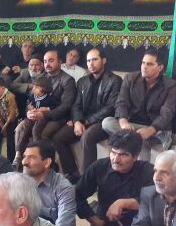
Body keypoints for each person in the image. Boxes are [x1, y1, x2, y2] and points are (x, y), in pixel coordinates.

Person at [75, 129, 154, 226]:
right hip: (105, 225)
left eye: (123, 155)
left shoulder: (147, 171)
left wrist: (125, 203)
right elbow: (76, 195)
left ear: (136, 156)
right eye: (113, 152)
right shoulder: (100, 167)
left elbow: (156, 202)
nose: (116, 159)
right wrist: (93, 220)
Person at [50, 47, 122, 180]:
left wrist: (86, 121)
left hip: (102, 121)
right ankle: (72, 173)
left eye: (95, 59)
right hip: (83, 120)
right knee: (58, 138)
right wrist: (77, 121)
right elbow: (76, 105)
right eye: (88, 61)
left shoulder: (115, 80)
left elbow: (110, 107)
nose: (91, 64)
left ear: (104, 60)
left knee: (87, 137)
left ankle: (87, 178)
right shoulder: (82, 81)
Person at [103, 49, 176, 160]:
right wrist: (123, 122)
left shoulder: (170, 85)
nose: (144, 67)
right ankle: (135, 138)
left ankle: (135, 143)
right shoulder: (130, 78)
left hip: (155, 128)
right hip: (132, 126)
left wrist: (151, 130)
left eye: (149, 64)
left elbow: (167, 113)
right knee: (107, 122)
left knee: (141, 141)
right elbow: (121, 102)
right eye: (143, 63)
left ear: (160, 67)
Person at [21, 141, 77, 226]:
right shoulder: (19, 182)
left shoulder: (63, 188)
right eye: (24, 157)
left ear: (47, 162)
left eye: (31, 157)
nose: (24, 162)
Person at [12, 76, 56, 167]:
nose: (33, 89)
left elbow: (55, 106)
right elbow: (29, 104)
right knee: (24, 129)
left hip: (42, 117)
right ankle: (18, 153)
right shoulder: (32, 96)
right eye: (33, 86)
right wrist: (30, 108)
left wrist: (46, 109)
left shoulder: (50, 98)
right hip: (32, 116)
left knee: (35, 130)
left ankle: (37, 150)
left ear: (44, 89)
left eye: (36, 87)